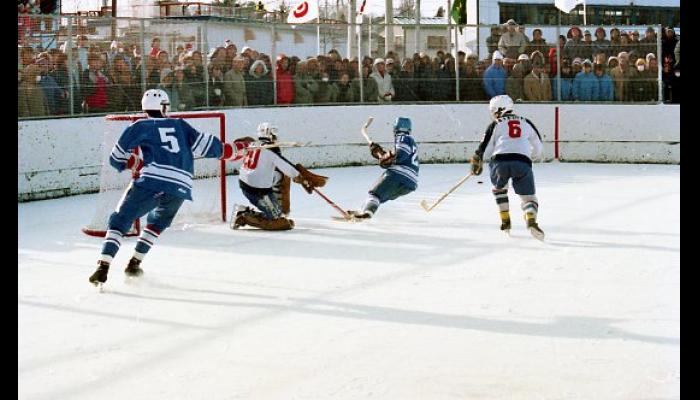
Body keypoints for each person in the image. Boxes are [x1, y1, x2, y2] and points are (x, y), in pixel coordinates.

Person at [88, 89, 249, 286]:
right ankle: (134, 263)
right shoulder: (180, 124)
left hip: (152, 181)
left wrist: (136, 164)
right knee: (156, 224)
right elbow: (213, 149)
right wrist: (238, 150)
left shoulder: (139, 126)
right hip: (180, 186)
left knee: (120, 221)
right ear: (164, 107)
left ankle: (103, 266)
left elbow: (116, 158)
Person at [469, 95, 544, 240]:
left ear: (498, 110)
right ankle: (531, 219)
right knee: (529, 198)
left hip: (500, 161)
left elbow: (486, 147)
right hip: (522, 161)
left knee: (499, 189)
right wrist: (533, 156)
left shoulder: (496, 123)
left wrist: (478, 159)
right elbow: (538, 145)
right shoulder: (526, 122)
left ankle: (505, 220)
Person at [232, 123, 328, 230]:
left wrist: (299, 176)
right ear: (268, 134)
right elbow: (285, 165)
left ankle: (263, 212)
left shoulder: (253, 144)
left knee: (281, 180)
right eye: (273, 134)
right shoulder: (271, 150)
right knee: (277, 221)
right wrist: (301, 178)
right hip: (257, 191)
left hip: (247, 183)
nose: (275, 137)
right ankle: (243, 216)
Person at [347, 117, 419, 219]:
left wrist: (385, 157)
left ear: (395, 128)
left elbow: (400, 155)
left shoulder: (403, 138)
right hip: (410, 184)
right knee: (378, 197)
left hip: (398, 176)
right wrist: (380, 154)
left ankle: (366, 213)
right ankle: (364, 210)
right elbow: (395, 157)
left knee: (375, 194)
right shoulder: (411, 142)